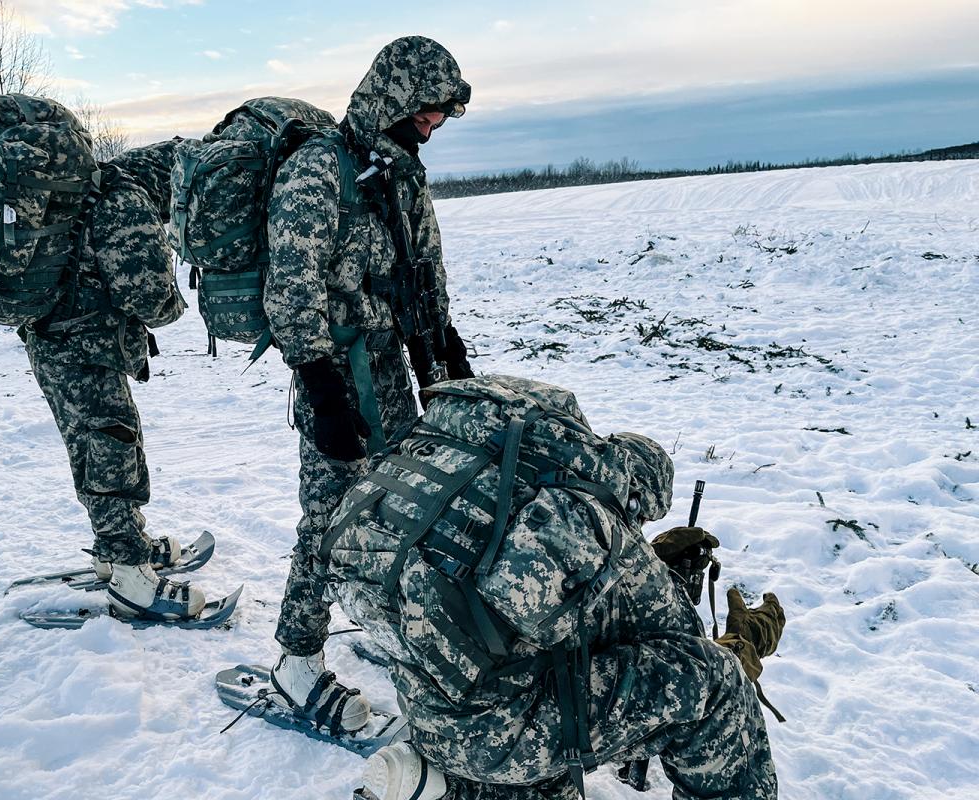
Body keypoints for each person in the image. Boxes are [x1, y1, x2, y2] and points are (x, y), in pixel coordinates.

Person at [315, 375, 784, 800]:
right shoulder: (583, 522)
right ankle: (476, 784)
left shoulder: (478, 471)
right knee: (715, 680)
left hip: (429, 708)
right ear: (638, 493)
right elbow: (677, 644)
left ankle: (455, 785)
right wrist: (746, 643)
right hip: (502, 738)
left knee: (537, 655)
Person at [263, 35, 475, 732]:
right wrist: (322, 390)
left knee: (409, 512)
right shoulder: (319, 171)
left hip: (396, 377)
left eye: (441, 115)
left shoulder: (402, 175)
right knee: (327, 522)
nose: (433, 125)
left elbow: (424, 274)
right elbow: (290, 288)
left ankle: (389, 626)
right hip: (338, 377)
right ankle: (296, 662)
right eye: (425, 111)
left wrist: (446, 355)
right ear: (392, 96)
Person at [21, 139, 208, 621]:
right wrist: (176, 304)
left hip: (50, 340)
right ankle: (130, 576)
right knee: (113, 452)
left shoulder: (89, 190)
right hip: (87, 348)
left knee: (91, 447)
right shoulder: (127, 201)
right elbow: (149, 296)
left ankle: (114, 550)